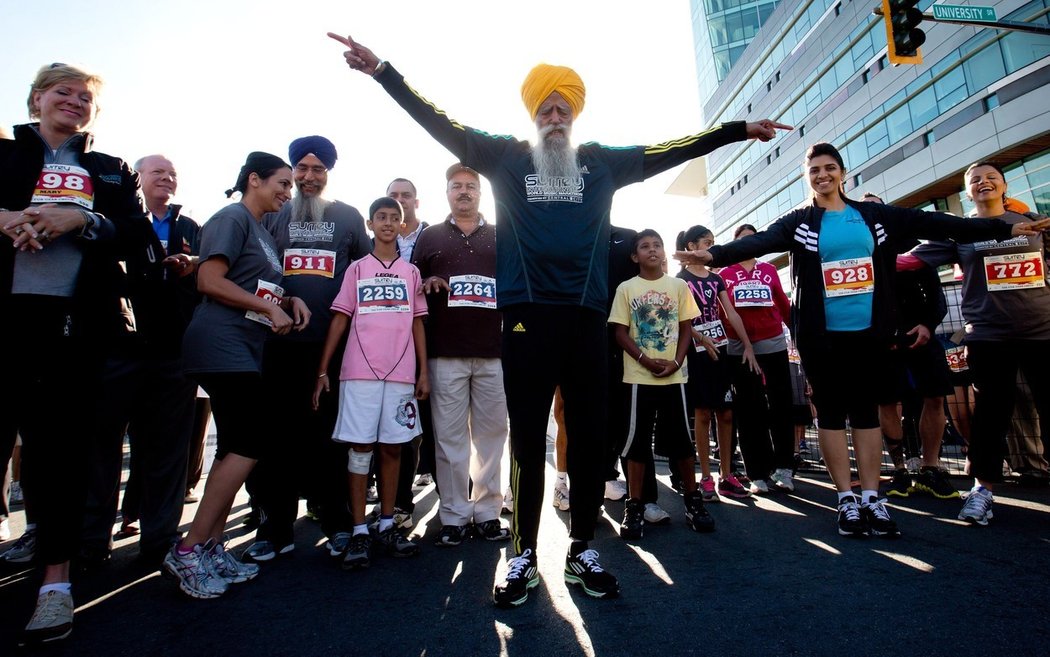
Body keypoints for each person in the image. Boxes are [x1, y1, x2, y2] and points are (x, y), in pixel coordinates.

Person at [329, 31, 789, 607]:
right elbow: (439, 121)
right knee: (526, 437)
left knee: (592, 438)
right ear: (532, 114)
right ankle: (522, 553)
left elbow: (675, 148)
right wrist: (384, 72)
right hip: (526, 318)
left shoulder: (601, 163)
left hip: (588, 319)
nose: (554, 116)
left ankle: (582, 549)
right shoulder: (506, 157)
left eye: (563, 109)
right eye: (545, 108)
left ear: (575, 117)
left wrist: (736, 131)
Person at [675, 143, 1046, 537]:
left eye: (830, 168)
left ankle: (872, 497)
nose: (822, 175)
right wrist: (710, 256)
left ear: (843, 173)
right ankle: (846, 500)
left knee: (867, 415)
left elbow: (943, 225)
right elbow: (758, 242)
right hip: (822, 338)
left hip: (871, 335)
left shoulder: (873, 215)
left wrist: (1004, 227)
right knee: (833, 417)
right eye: (814, 169)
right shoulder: (800, 221)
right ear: (807, 176)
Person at [1, 62, 152, 645]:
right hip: (7, 322)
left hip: (75, 329)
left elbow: (138, 234)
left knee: (63, 455)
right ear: (37, 98)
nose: (74, 101)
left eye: (85, 97)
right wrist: (6, 217)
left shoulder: (109, 171)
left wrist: (84, 219)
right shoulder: (4, 157)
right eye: (63, 92)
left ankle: (55, 587)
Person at [163, 152, 310, 599]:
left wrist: (287, 300)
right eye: (282, 183)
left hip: (246, 348)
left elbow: (252, 284)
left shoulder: (263, 229)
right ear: (254, 180)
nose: (288, 192)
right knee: (252, 442)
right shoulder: (232, 216)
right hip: (219, 344)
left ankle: (208, 544)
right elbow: (209, 280)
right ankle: (188, 551)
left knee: (235, 448)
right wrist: (267, 306)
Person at [899, 161, 1050, 525]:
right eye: (975, 180)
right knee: (991, 416)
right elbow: (905, 263)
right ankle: (983, 490)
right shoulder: (960, 233)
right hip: (987, 336)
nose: (983, 183)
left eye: (991, 178)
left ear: (1003, 186)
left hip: (1043, 331)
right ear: (968, 193)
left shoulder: (1032, 222)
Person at [243, 135, 370, 562]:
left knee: (329, 435)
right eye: (302, 168)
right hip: (275, 343)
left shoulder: (348, 217)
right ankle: (275, 528)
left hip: (330, 347)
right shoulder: (273, 213)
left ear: (328, 173)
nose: (309, 177)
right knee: (277, 436)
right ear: (292, 172)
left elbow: (366, 275)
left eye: (318, 169)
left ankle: (336, 521)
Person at [80, 153, 202, 568]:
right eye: (157, 172)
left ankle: (159, 539)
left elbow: (208, 279)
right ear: (137, 181)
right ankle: (92, 540)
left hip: (172, 353)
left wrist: (194, 263)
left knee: (166, 451)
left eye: (172, 173)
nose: (167, 178)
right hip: (118, 348)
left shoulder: (190, 228)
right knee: (101, 448)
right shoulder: (112, 221)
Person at [313, 197, 428, 569]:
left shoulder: (410, 273)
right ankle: (359, 528)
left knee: (393, 449)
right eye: (382, 217)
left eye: (395, 218)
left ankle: (386, 523)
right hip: (359, 373)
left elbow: (417, 322)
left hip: (400, 375)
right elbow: (340, 319)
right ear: (370, 223)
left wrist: (423, 371)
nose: (389, 223)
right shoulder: (357, 270)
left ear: (403, 224)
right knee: (360, 449)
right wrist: (322, 369)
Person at [413, 163, 509, 546]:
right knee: (449, 438)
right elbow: (410, 285)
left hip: (493, 353)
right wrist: (425, 281)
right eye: (457, 186)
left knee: (491, 437)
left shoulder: (503, 236)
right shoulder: (429, 237)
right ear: (447, 193)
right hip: (445, 352)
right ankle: (452, 514)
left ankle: (487, 512)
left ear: (481, 194)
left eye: (471, 186)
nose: (464, 191)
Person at [609, 230, 715, 538]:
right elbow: (620, 332)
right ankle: (635, 505)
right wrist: (644, 359)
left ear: (665, 252)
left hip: (674, 378)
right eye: (645, 246)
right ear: (634, 256)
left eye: (658, 244)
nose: (652, 250)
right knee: (637, 444)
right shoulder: (626, 288)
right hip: (637, 378)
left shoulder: (679, 286)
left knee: (682, 441)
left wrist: (677, 362)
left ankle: (693, 502)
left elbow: (685, 328)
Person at [856, 193, 959, 500]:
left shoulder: (914, 242)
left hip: (921, 333)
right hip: (881, 338)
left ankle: (931, 468)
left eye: (879, 205)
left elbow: (935, 292)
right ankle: (900, 472)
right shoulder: (859, 246)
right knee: (887, 402)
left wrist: (929, 324)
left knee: (935, 397)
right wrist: (876, 332)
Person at [676, 224, 757, 500]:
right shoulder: (680, 280)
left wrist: (747, 345)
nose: (710, 246)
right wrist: (700, 336)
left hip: (721, 351)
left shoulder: (717, 279)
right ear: (690, 246)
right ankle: (706, 477)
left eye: (712, 241)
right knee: (702, 414)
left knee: (725, 413)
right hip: (696, 353)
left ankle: (726, 475)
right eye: (705, 242)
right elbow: (680, 320)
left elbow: (730, 312)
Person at [715, 222, 795, 494]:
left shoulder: (769, 270)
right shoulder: (724, 274)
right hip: (740, 350)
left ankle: (784, 468)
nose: (749, 244)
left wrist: (797, 334)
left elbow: (783, 305)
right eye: (743, 240)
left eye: (754, 239)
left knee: (781, 406)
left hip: (773, 345)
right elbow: (721, 312)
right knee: (750, 411)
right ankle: (757, 473)